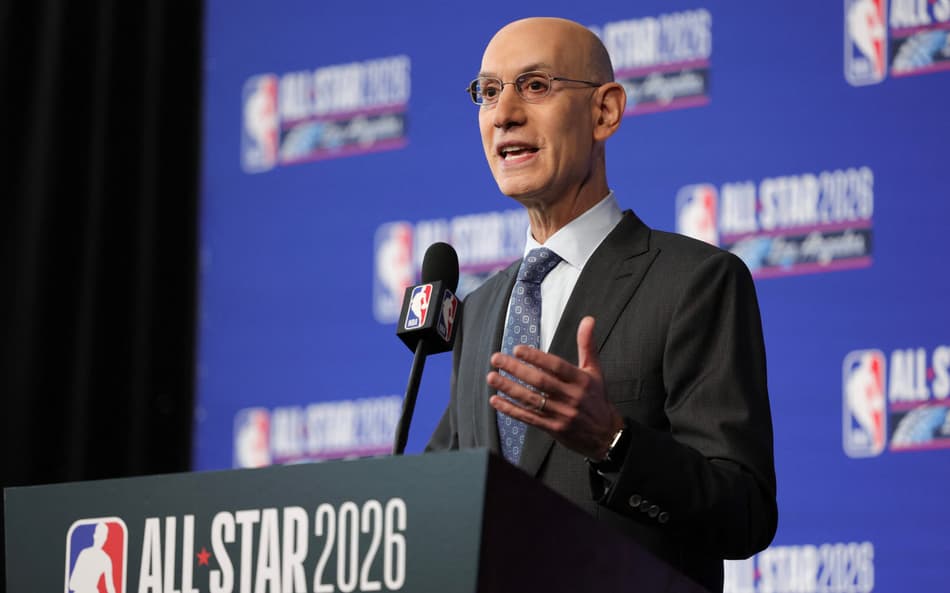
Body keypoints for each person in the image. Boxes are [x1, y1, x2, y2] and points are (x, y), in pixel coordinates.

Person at [426, 17, 777, 593]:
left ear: (605, 112)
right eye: (488, 92)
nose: (504, 112)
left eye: (535, 85)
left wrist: (614, 442)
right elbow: (441, 496)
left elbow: (744, 513)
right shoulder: (482, 308)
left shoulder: (695, 281)